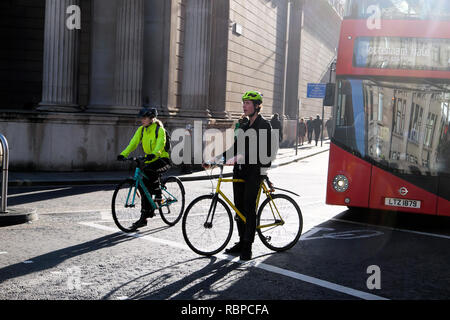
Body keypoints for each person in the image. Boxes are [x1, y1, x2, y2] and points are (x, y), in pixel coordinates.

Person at [204, 90, 274, 261]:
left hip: (255, 171)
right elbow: (234, 148)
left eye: (248, 103)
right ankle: (241, 241)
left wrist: (241, 157)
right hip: (241, 171)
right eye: (243, 103)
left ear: (257, 106)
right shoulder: (243, 126)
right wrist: (215, 159)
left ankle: (247, 247)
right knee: (239, 208)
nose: (244, 106)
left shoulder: (264, 125)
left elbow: (263, 151)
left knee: (249, 208)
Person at [117, 106, 171, 229]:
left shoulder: (159, 130)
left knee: (150, 171)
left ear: (151, 118)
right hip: (150, 160)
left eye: (144, 117)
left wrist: (154, 153)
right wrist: (123, 154)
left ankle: (158, 195)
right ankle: (144, 218)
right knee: (143, 187)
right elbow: (133, 143)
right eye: (141, 118)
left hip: (162, 160)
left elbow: (160, 144)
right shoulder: (141, 130)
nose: (142, 120)